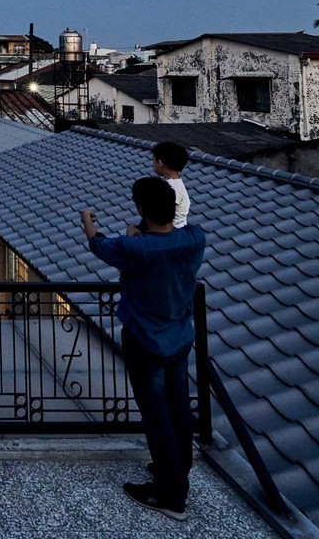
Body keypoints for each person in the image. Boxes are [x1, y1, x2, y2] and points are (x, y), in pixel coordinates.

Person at [81, 176, 206, 521]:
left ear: (140, 210)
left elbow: (98, 244)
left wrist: (88, 220)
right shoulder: (195, 239)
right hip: (180, 337)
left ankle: (171, 495)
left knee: (157, 415)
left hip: (145, 340)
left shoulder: (134, 248)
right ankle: (177, 471)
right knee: (178, 409)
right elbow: (167, 231)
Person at [153, 140, 192, 228]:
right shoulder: (176, 183)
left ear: (160, 163)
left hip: (171, 232)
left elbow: (162, 215)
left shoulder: (172, 187)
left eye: (154, 160)